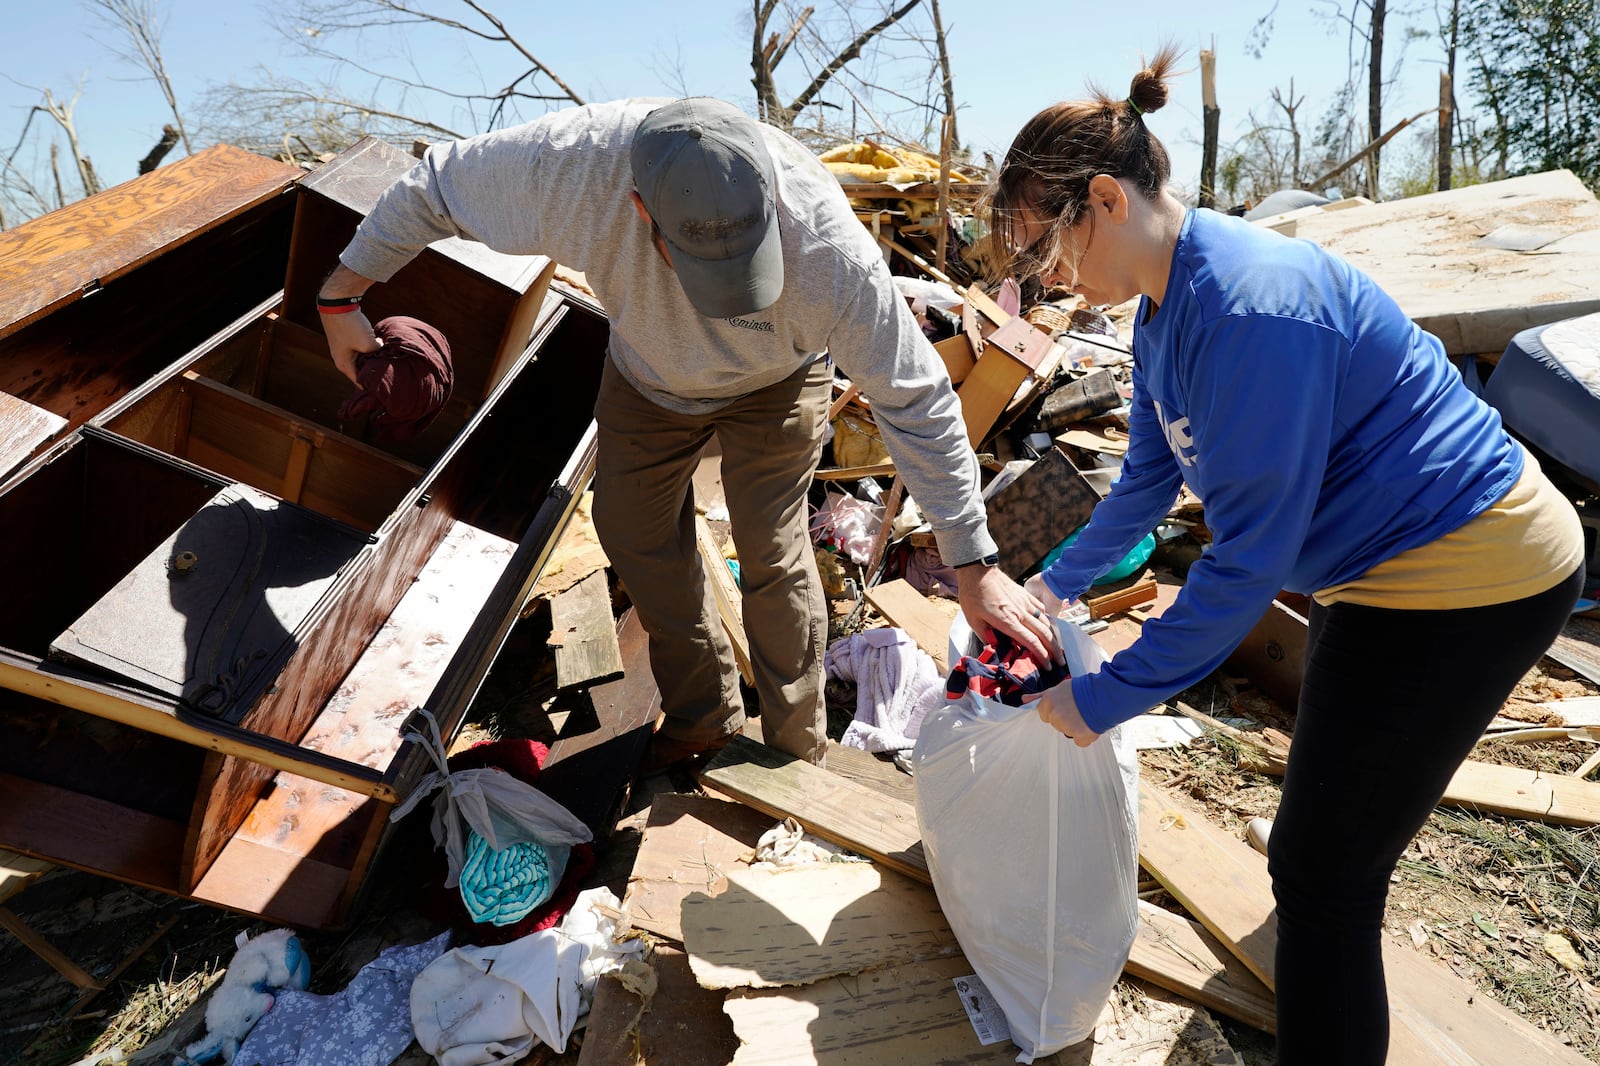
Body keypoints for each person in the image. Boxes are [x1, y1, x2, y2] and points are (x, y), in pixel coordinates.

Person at [992, 47, 1586, 1063]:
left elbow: (1245, 562)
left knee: (1321, 875)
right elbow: (1144, 478)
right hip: (1383, 568)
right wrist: (1049, 586)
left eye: (1045, 250)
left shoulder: (1251, 307)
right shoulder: (1159, 315)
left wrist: (1100, 699)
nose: (1047, 279)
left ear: (1100, 199)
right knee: (1329, 820)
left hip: (1476, 570)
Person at [316, 96, 1061, 774]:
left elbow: (919, 400)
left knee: (771, 548)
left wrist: (973, 563)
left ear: (772, 198)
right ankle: (705, 718)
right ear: (640, 211)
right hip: (649, 380)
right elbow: (435, 185)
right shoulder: (573, 170)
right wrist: (342, 294)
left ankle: (796, 748)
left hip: (778, 384)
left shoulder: (830, 252)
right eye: (708, 269)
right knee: (631, 530)